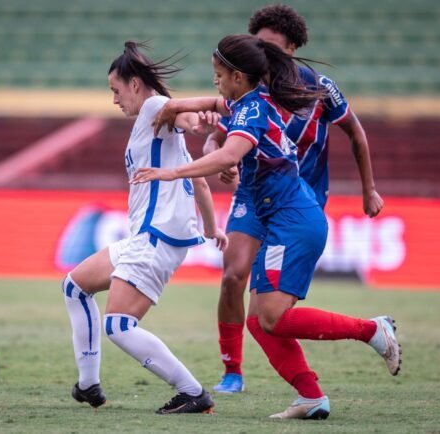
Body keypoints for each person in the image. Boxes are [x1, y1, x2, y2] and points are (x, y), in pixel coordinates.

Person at [131, 34, 401, 420]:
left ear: (238, 77)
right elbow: (216, 104)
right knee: (260, 322)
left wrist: (171, 172)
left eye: (218, 73)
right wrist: (177, 104)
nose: (214, 80)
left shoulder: (253, 110)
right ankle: (310, 396)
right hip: (284, 220)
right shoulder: (249, 100)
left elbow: (229, 154)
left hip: (293, 222)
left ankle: (371, 331)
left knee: (271, 317)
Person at [203, 4, 384, 394]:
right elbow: (215, 139)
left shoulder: (318, 88)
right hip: (254, 195)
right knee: (233, 274)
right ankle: (232, 371)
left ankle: (316, 384)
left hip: (298, 202)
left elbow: (356, 133)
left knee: (269, 315)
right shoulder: (247, 86)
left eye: (271, 46)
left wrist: (368, 189)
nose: (263, 52)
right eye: (258, 44)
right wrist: (220, 161)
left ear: (292, 47)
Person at [63, 41, 228, 414]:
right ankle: (88, 384)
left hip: (156, 237)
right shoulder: (159, 128)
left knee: (119, 325)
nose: (114, 100)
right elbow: (200, 182)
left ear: (134, 84)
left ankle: (192, 392)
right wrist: (212, 228)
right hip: (147, 236)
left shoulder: (155, 107)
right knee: (74, 286)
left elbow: (180, 114)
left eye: (116, 90)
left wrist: (205, 115)